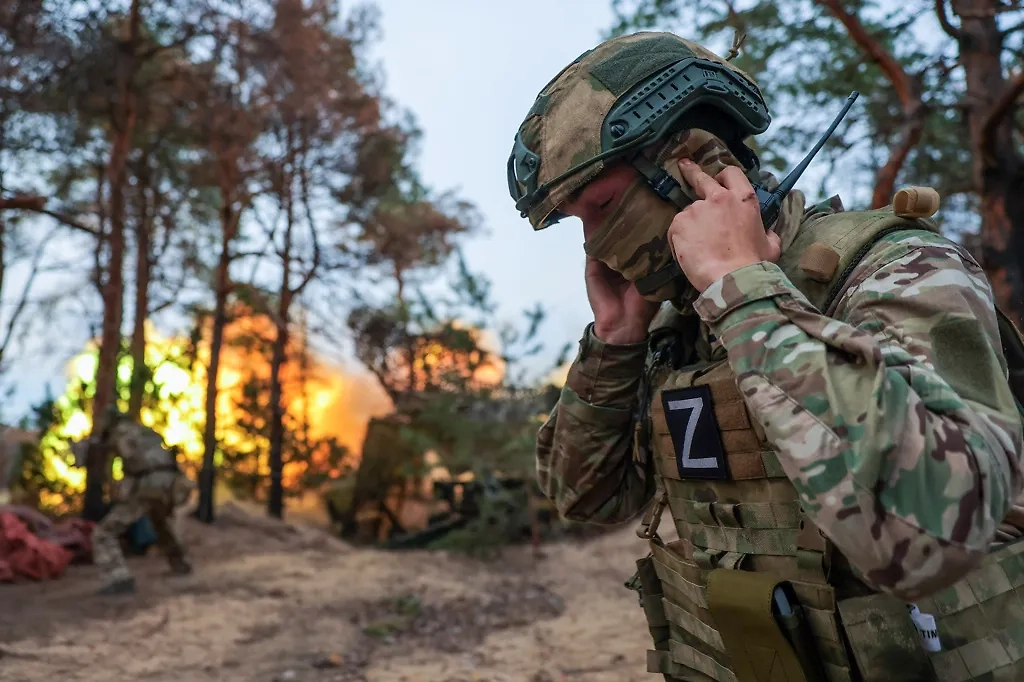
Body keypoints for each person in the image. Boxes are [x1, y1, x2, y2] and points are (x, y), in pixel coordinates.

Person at [507, 31, 1024, 681]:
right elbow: (584, 500)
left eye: (603, 208)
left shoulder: (894, 270)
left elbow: (934, 531)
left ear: (690, 165)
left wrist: (745, 296)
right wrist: (613, 343)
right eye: (577, 225)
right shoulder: (676, 330)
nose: (596, 248)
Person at [73, 406, 194, 595]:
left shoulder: (119, 434)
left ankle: (118, 577)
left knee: (103, 533)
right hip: (171, 482)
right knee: (161, 523)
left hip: (147, 483)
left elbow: (119, 456)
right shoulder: (145, 431)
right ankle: (181, 563)